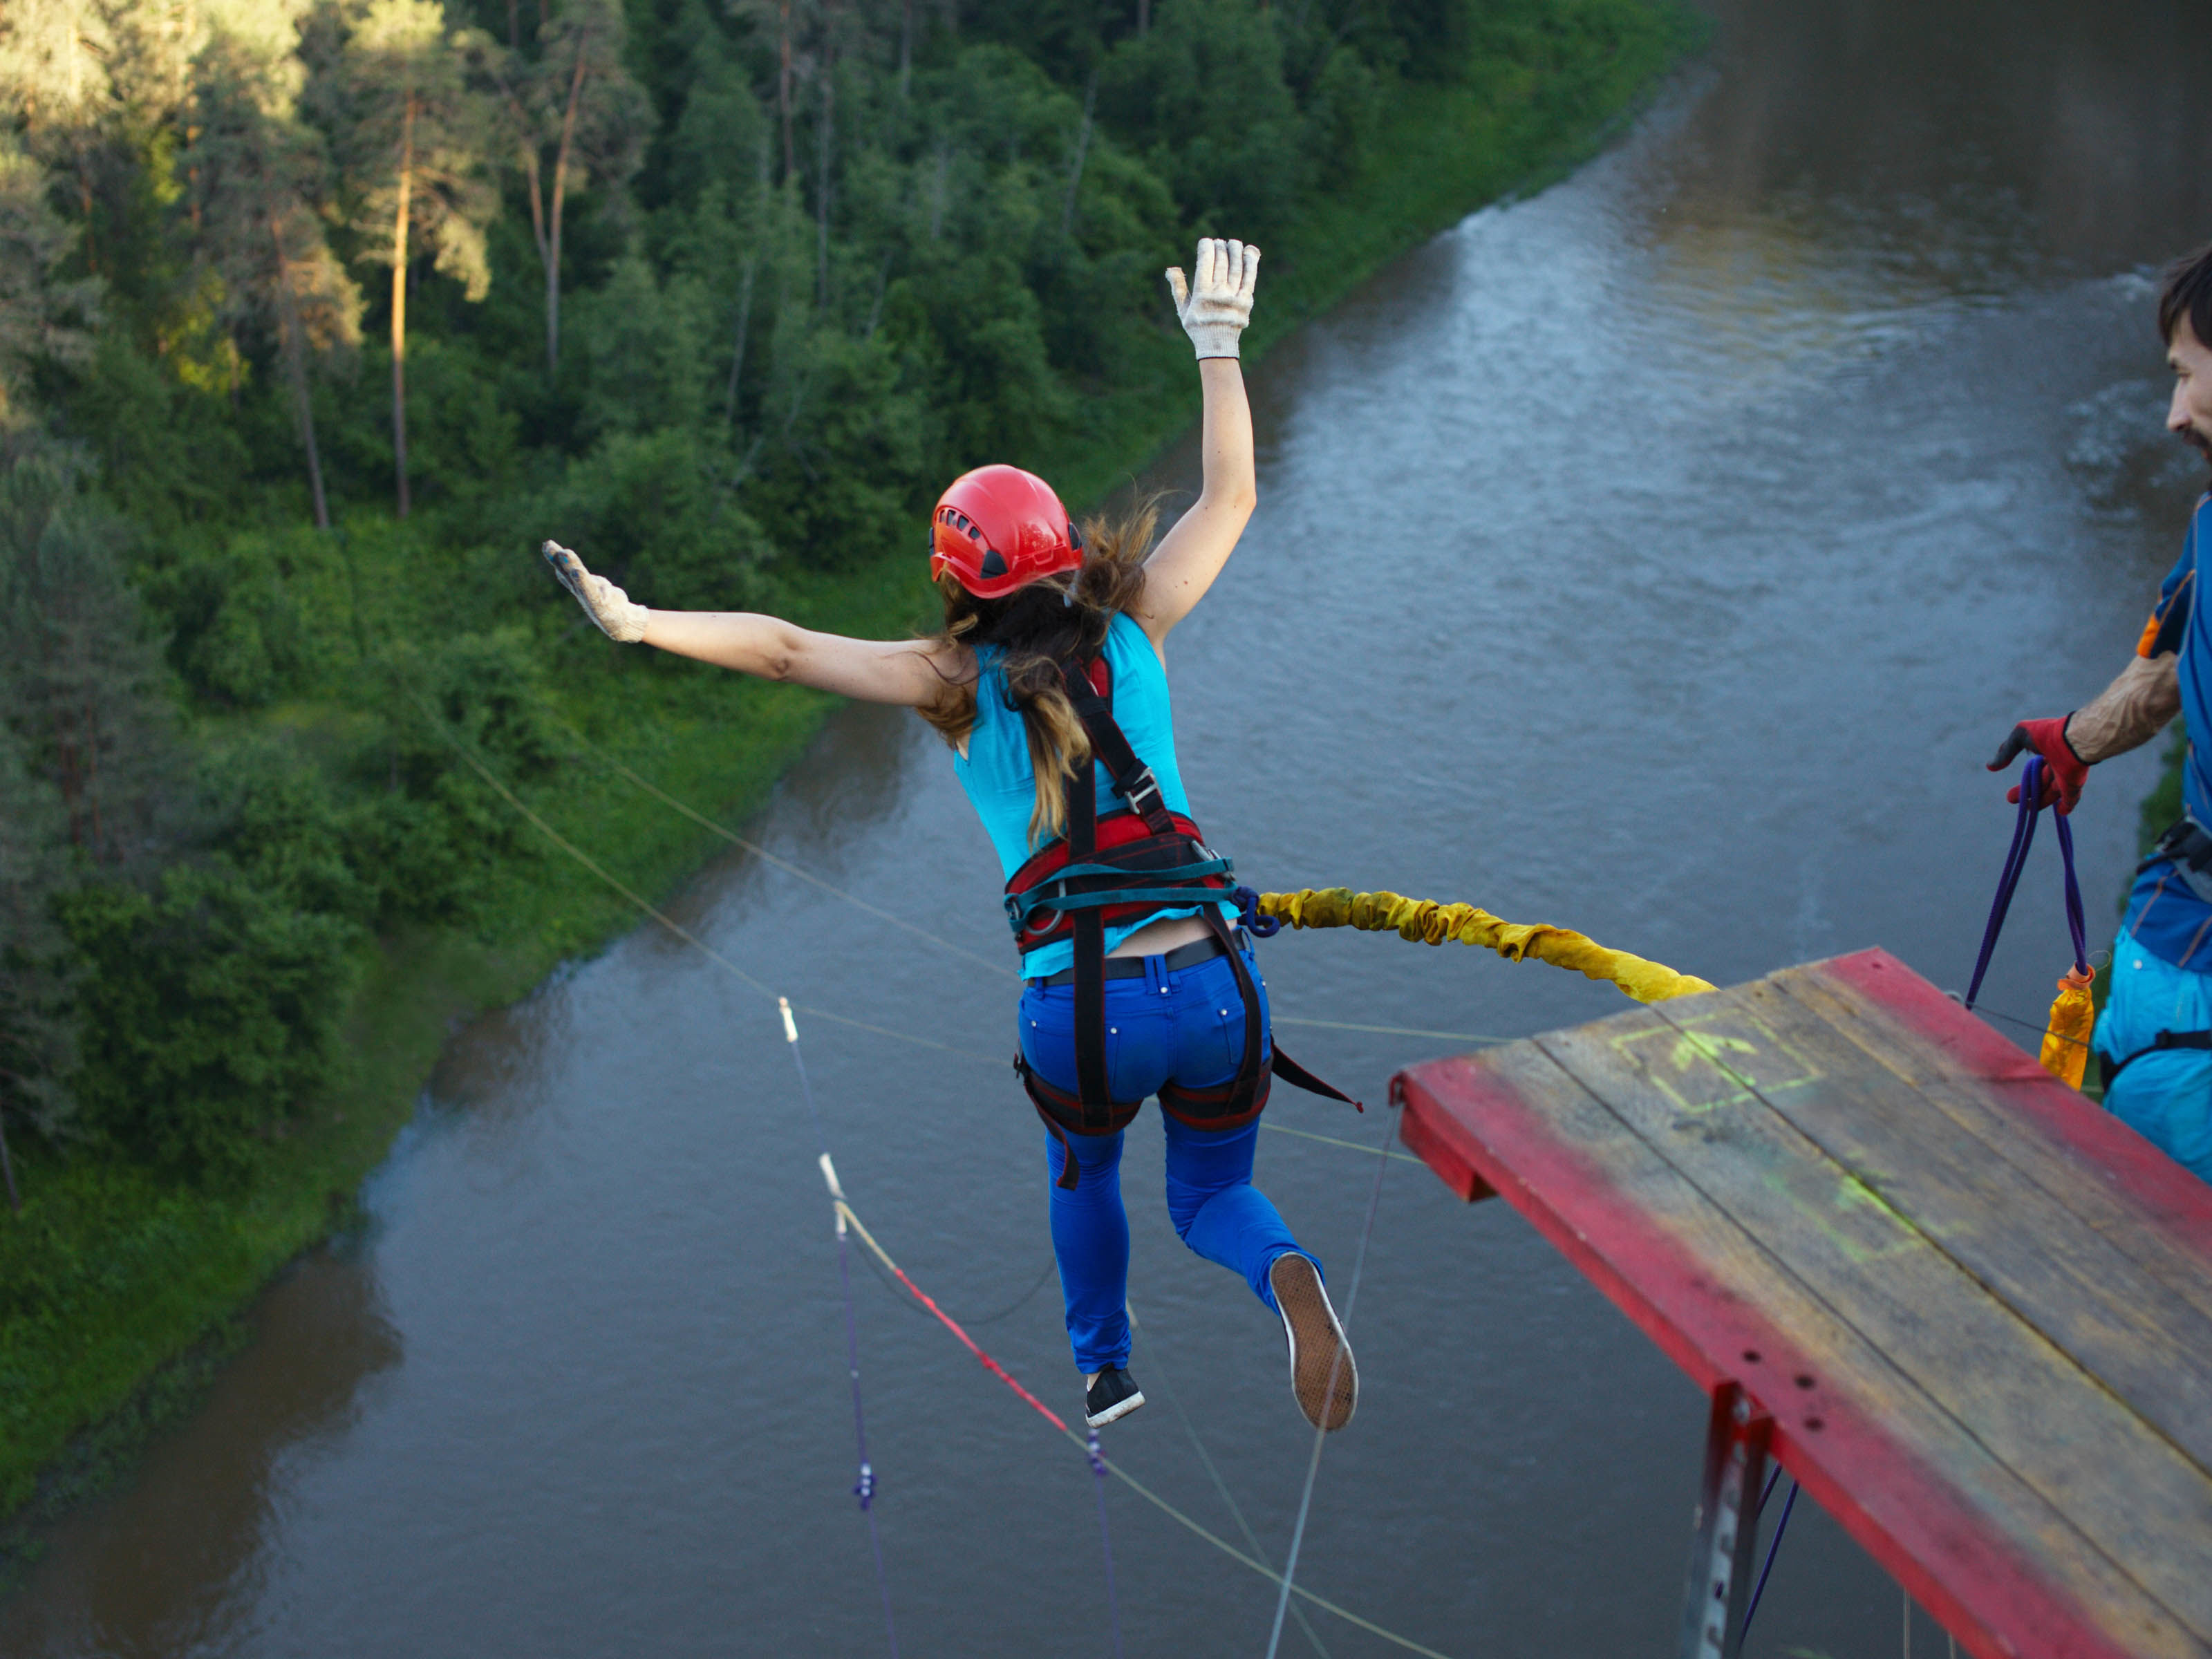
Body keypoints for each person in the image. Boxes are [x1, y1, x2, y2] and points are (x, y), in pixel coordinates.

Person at [543, 238, 1360, 1432]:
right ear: (1063, 549)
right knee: (1209, 1198)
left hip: (1083, 1008)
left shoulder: (947, 679)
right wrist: (1220, 347)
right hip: (1216, 980)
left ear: (956, 582)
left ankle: (1108, 1369)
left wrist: (642, 623)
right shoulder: (1136, 624)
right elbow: (1229, 496)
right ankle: (1285, 1272)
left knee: (1084, 1169)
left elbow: (786, 651)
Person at [1988, 241, 2212, 1181]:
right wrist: (2077, 741)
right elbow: (2171, 657)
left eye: (2188, 375)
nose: (2174, 415)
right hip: (2178, 948)